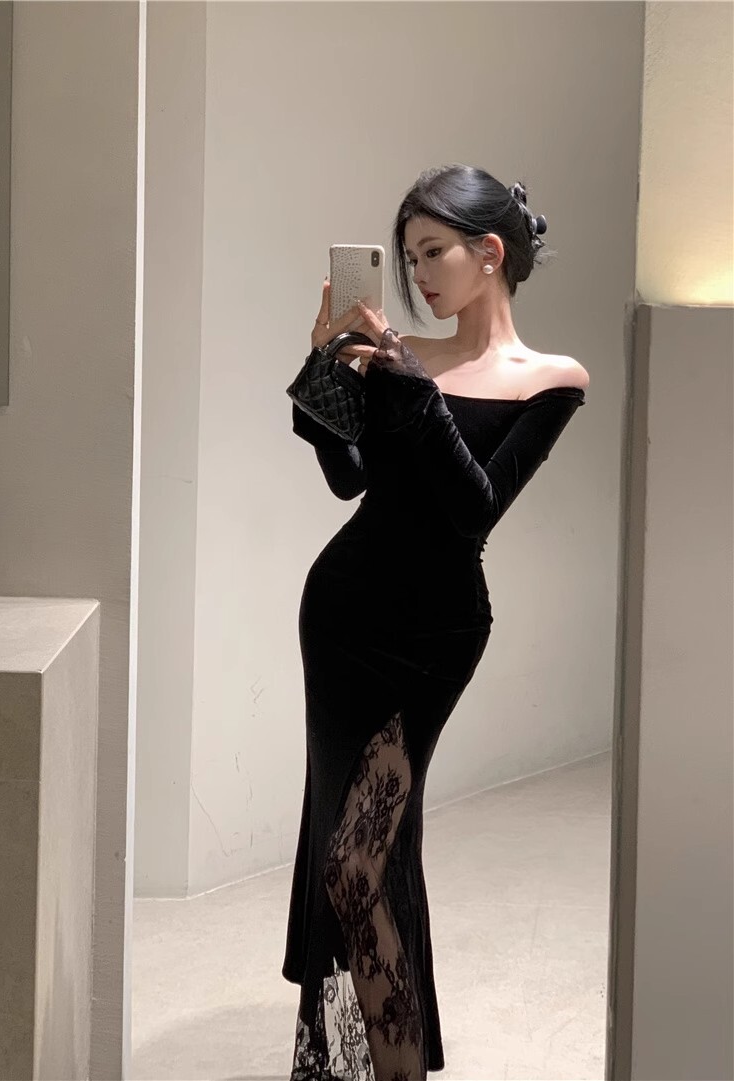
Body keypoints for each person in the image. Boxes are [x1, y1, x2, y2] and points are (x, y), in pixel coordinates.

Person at [283, 164, 589, 1080]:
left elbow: (474, 508)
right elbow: (348, 479)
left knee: (361, 857)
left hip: (434, 636)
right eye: (408, 258)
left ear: (488, 252)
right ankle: (390, 1064)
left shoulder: (550, 379)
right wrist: (326, 370)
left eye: (431, 253)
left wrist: (412, 384)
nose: (417, 276)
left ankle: (395, 1064)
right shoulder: (402, 355)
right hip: (343, 615)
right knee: (351, 855)